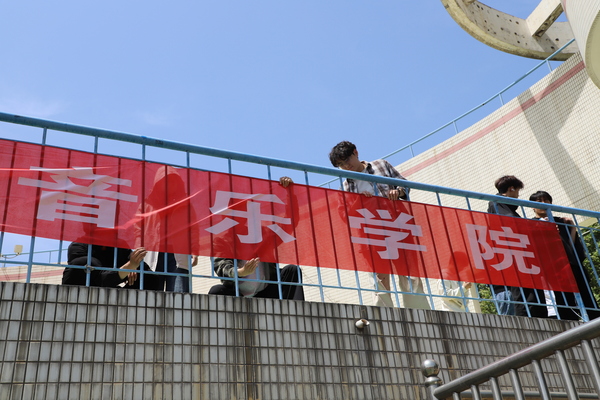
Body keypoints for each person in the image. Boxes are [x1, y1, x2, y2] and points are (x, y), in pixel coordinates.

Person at [328, 140, 430, 310]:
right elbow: (344, 216)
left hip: (398, 227)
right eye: (341, 164)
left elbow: (404, 184)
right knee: (379, 279)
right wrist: (358, 202)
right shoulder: (345, 186)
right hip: (371, 235)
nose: (346, 166)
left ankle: (418, 313)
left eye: (347, 160)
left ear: (356, 153)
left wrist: (397, 191)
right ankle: (384, 315)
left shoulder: (381, 165)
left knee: (409, 273)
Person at [529, 191, 600, 320]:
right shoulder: (530, 224)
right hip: (553, 267)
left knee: (586, 295)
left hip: (571, 264)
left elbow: (572, 247)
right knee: (564, 298)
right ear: (532, 206)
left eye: (546, 201)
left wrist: (572, 228)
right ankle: (570, 322)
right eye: (539, 202)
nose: (543, 204)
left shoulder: (561, 221)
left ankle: (595, 320)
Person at [486, 176, 546, 318]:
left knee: (530, 297)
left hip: (519, 259)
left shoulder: (501, 206)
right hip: (515, 260)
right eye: (518, 191)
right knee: (524, 298)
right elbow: (511, 225)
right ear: (511, 189)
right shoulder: (498, 203)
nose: (518, 196)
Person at [63, 242, 158, 289]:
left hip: (112, 297)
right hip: (81, 295)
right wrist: (129, 267)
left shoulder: (119, 246)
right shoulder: (78, 246)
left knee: (150, 278)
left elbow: (146, 272)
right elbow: (99, 278)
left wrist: (133, 267)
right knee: (86, 263)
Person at [209, 257, 304, 300]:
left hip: (266, 290)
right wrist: (241, 272)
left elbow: (284, 230)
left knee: (292, 270)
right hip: (237, 294)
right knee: (216, 291)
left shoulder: (261, 235)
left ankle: (298, 315)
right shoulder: (224, 240)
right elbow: (221, 266)